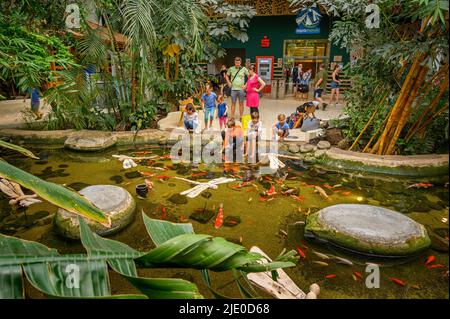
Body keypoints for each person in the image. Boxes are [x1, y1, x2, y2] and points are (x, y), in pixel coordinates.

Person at [225, 57, 249, 122]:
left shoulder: (244, 69)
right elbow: (226, 76)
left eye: (238, 63)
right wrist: (229, 82)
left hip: (241, 89)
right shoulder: (231, 69)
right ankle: (232, 117)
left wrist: (246, 85)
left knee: (241, 103)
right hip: (233, 89)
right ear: (234, 62)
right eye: (236, 62)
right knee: (233, 103)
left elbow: (250, 76)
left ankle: (241, 116)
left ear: (240, 62)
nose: (237, 64)